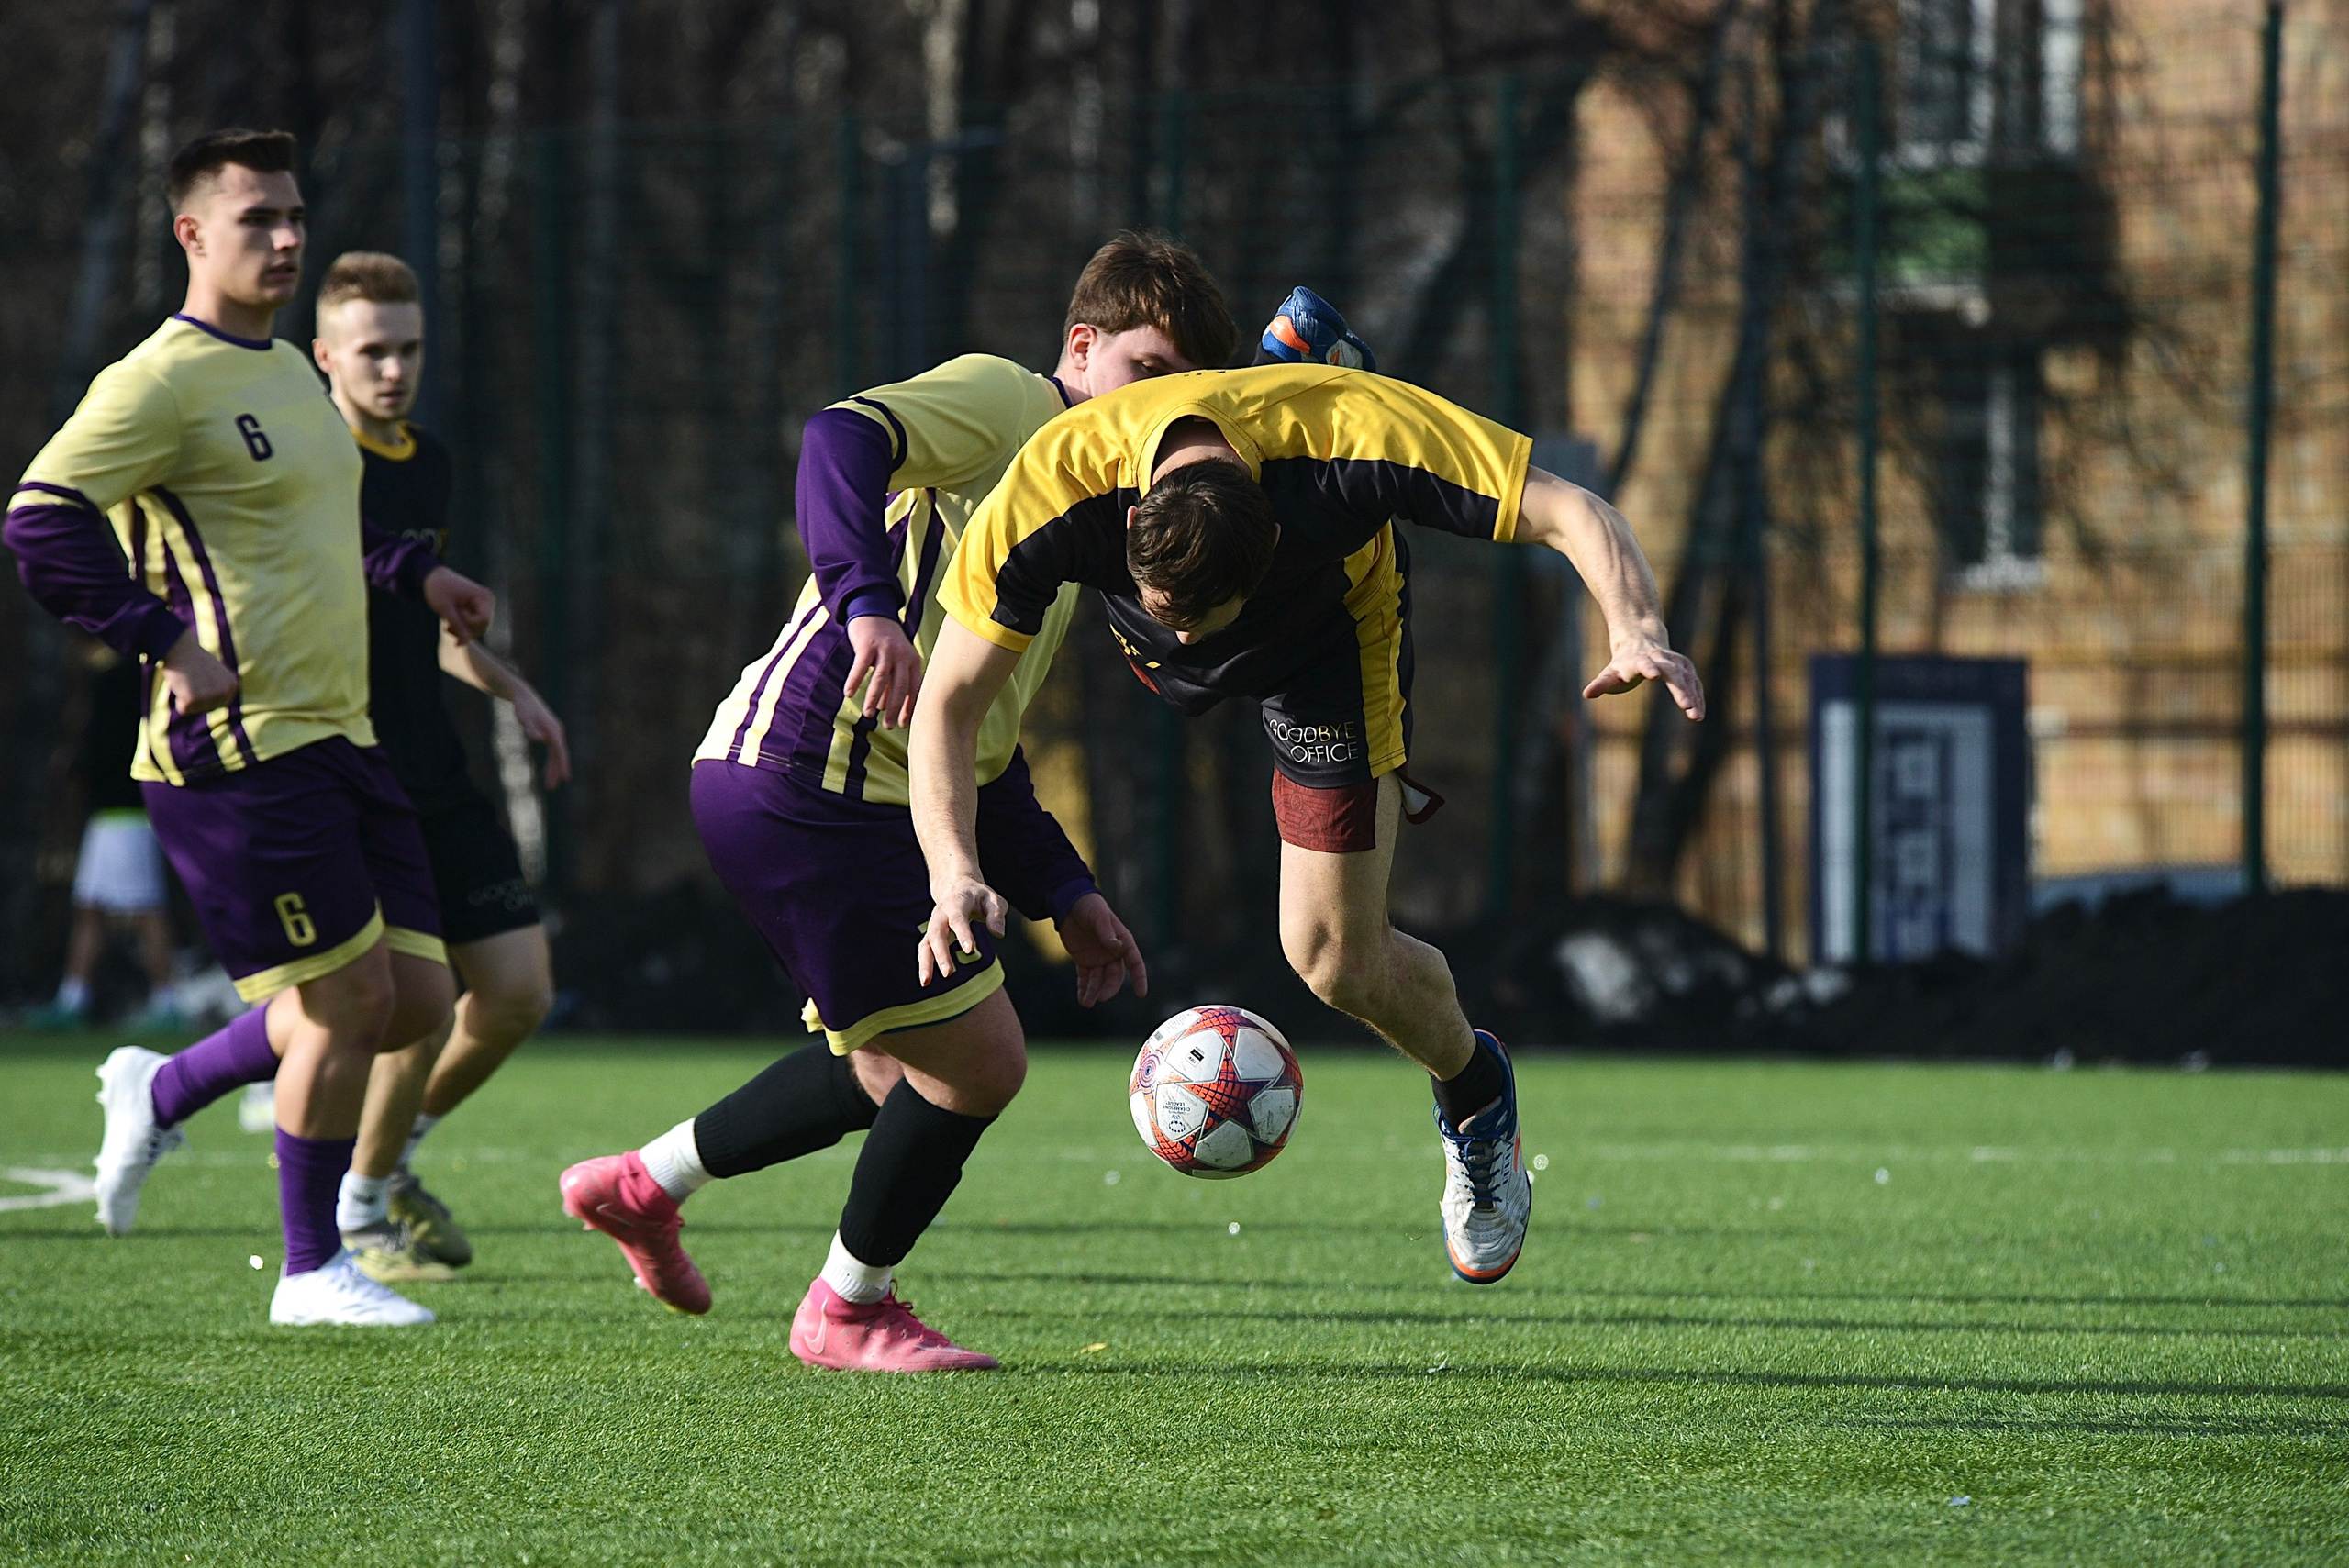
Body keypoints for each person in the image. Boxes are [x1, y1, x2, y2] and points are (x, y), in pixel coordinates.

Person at [561, 232, 1235, 1371]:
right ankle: (847, 1309)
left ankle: (642, 1183)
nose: (1155, 408)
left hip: (818, 793)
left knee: (886, 1068)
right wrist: (865, 600)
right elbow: (838, 436)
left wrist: (1063, 889)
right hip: (808, 782)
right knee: (980, 1061)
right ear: (1080, 347)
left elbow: (978, 748)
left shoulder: (1068, 525)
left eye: (1180, 393)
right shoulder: (1012, 403)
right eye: (1143, 370)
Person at [909, 360, 1705, 1287]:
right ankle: (1279, 347)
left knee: (1333, 955)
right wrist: (952, 870)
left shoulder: (1352, 438)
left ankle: (1476, 1094)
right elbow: (946, 709)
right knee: (1164, 661)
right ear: (1132, 523)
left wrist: (1636, 626)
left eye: (1208, 619)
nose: (1190, 633)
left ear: (1278, 536)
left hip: (1323, 649)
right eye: (1174, 614)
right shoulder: (1056, 483)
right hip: (1181, 601)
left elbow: (1571, 508)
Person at [2, 128, 495, 1327]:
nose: (283, 239)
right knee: (342, 1006)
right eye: (255, 220)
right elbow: (38, 521)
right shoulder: (158, 381)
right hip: (237, 749)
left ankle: (162, 1087)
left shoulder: (287, 373)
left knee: (420, 1002)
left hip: (342, 734)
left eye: (292, 216)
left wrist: (412, 578)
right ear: (190, 235)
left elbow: (307, 531)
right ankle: (310, 1270)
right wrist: (165, 640)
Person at [307, 250, 568, 1282]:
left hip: (434, 762)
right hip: (344, 767)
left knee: (514, 991)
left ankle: (389, 1153)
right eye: (372, 349)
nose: (393, 368)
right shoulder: (301, 461)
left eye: (409, 347)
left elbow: (438, 617)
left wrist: (515, 687)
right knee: (413, 991)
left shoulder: (430, 460)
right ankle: (359, 1207)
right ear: (323, 353)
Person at [26, 645, 183, 1030]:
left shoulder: (122, 677)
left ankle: (169, 1003)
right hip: (109, 816)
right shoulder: (121, 674)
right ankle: (73, 998)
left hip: (126, 813)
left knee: (146, 910)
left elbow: (107, 746)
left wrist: (79, 766)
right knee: (91, 907)